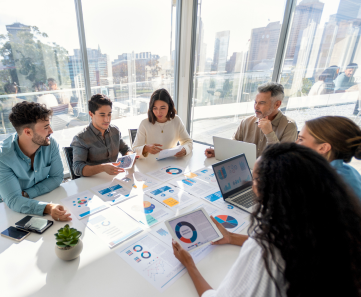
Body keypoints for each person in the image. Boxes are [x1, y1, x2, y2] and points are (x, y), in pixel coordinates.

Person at [173, 143, 361, 297]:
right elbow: (290, 245)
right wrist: (232, 237)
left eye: (254, 179)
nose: (250, 184)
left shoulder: (266, 247)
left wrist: (190, 265)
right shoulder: (329, 223)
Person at [0, 102, 71, 221]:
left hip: (40, 199)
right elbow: (14, 200)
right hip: (10, 213)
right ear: (27, 132)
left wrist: (28, 194)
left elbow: (57, 177)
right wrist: (48, 207)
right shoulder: (3, 157)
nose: (51, 131)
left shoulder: (50, 143)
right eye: (46, 127)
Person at [205, 82, 297, 158]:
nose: (256, 107)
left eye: (262, 103)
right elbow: (233, 144)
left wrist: (269, 134)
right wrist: (219, 152)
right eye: (255, 102)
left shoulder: (289, 126)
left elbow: (283, 160)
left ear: (277, 104)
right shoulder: (247, 121)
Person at [296, 116, 361, 201]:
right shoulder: (349, 170)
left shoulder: (324, 181)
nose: (295, 143)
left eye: (301, 139)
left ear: (323, 148)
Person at [70, 94, 134, 177]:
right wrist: (103, 168)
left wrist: (129, 157)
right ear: (91, 114)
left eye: (109, 114)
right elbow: (77, 168)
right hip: (94, 182)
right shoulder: (81, 138)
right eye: (102, 115)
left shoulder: (115, 130)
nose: (107, 119)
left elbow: (126, 149)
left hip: (114, 178)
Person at [132, 88, 193, 158]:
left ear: (169, 106)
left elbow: (188, 141)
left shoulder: (176, 120)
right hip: (150, 165)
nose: (158, 112)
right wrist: (145, 148)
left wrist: (185, 149)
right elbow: (134, 149)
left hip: (171, 162)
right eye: (155, 108)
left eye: (162, 108)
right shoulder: (144, 124)